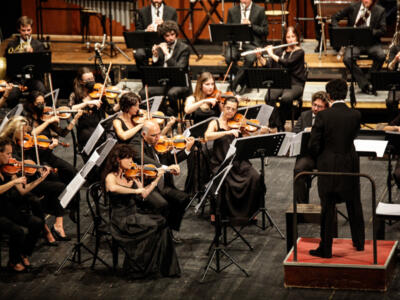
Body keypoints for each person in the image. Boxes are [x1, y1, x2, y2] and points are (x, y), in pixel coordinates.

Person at [102, 143, 180, 278]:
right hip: (122, 220)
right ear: (118, 160)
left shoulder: (131, 175)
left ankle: (165, 268)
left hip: (134, 215)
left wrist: (156, 180)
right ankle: (138, 267)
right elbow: (113, 188)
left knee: (163, 224)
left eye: (132, 159)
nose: (132, 162)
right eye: (128, 159)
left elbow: (143, 194)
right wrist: (134, 190)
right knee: (156, 225)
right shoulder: (111, 176)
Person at [308, 79, 364, 258]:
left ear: (329, 96)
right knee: (354, 202)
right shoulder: (355, 115)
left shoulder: (323, 116)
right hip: (350, 164)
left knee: (327, 207)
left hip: (329, 165)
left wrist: (320, 157)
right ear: (345, 94)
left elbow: (313, 145)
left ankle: (326, 249)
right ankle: (359, 242)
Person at [0, 116, 69, 242]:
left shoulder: (24, 143)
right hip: (19, 183)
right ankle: (46, 230)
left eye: (27, 131)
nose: (26, 134)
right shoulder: (8, 146)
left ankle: (56, 223)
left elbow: (33, 159)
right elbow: (14, 166)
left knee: (55, 180)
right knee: (37, 199)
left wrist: (38, 166)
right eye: (23, 131)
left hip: (29, 177)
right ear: (15, 130)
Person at [204, 97, 269, 224]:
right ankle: (219, 213)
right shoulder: (215, 123)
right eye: (228, 108)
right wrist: (226, 133)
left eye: (233, 109)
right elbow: (207, 136)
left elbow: (249, 139)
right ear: (223, 106)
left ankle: (249, 212)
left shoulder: (239, 123)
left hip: (239, 161)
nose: (230, 111)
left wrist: (260, 132)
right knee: (223, 181)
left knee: (255, 177)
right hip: (221, 161)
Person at [131, 120, 194, 242]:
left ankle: (170, 230)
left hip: (163, 185)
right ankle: (160, 235)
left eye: (159, 134)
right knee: (163, 204)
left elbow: (170, 160)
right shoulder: (137, 143)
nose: (158, 138)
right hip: (149, 186)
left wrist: (186, 149)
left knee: (183, 198)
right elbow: (144, 159)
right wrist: (165, 169)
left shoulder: (158, 144)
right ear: (144, 135)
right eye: (154, 135)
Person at [0, 137, 48, 272]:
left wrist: (40, 179)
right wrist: (12, 183)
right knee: (17, 231)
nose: (10, 157)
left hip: (6, 208)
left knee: (37, 222)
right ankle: (13, 262)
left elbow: (23, 190)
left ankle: (24, 253)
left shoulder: (8, 168)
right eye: (8, 154)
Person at [331, 0, 386, 95]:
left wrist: (370, 32)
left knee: (381, 56)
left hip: (372, 43)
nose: (366, 0)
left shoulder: (380, 10)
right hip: (355, 43)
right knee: (347, 58)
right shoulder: (353, 7)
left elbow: (383, 30)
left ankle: (367, 80)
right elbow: (334, 17)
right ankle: (365, 84)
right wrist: (339, 31)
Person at [259, 26, 307, 131]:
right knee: (269, 96)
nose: (291, 39)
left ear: (297, 38)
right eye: (288, 37)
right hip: (281, 82)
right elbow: (268, 65)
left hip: (295, 84)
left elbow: (287, 63)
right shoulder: (280, 51)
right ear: (285, 39)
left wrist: (271, 53)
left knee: (286, 98)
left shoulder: (300, 52)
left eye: (293, 37)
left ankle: (279, 125)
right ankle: (278, 125)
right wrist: (259, 56)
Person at [138, 20, 191, 116]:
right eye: (167, 36)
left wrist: (167, 53)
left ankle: (173, 118)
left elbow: (179, 69)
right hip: (164, 82)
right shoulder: (161, 46)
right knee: (143, 92)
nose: (170, 38)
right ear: (163, 36)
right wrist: (155, 56)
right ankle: (154, 115)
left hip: (180, 82)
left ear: (176, 34)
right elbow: (156, 70)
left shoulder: (184, 48)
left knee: (172, 94)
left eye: (172, 34)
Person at [68, 67, 118, 156]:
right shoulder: (75, 95)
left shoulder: (99, 92)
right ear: (81, 82)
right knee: (90, 136)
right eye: (87, 80)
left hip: (99, 126)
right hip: (85, 129)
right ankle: (90, 159)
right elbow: (71, 109)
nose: (91, 81)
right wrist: (88, 102)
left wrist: (121, 104)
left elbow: (110, 111)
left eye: (92, 79)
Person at [293, 91, 329, 204]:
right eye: (314, 105)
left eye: (319, 106)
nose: (316, 108)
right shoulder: (305, 115)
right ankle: (301, 206)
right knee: (298, 170)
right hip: (308, 155)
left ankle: (326, 206)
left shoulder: (328, 118)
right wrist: (305, 131)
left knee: (329, 170)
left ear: (326, 108)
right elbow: (295, 132)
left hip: (323, 155)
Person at [225, 0, 268, 94]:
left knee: (250, 58)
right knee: (228, 58)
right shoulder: (232, 11)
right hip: (236, 44)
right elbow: (228, 30)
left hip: (252, 44)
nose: (243, 1)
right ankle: (244, 81)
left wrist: (251, 25)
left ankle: (233, 85)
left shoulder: (260, 10)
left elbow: (265, 31)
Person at [5, 16, 47, 108]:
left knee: (42, 91)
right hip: (17, 79)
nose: (26, 33)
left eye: (28, 30)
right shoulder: (12, 44)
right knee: (11, 96)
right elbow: (7, 63)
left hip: (33, 78)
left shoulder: (38, 45)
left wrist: (32, 55)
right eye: (23, 30)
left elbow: (42, 66)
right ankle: (13, 117)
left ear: (31, 29)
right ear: (19, 30)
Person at [134, 0, 178, 69]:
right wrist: (146, 30)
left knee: (160, 53)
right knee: (139, 54)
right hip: (147, 43)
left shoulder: (172, 11)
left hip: (165, 42)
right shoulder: (142, 11)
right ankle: (145, 75)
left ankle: (159, 76)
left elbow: (175, 30)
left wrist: (164, 25)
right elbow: (137, 31)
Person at [385, 43, 400, 121]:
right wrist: (395, 59)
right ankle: (393, 124)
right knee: (390, 102)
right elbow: (390, 67)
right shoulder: (395, 48)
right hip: (397, 80)